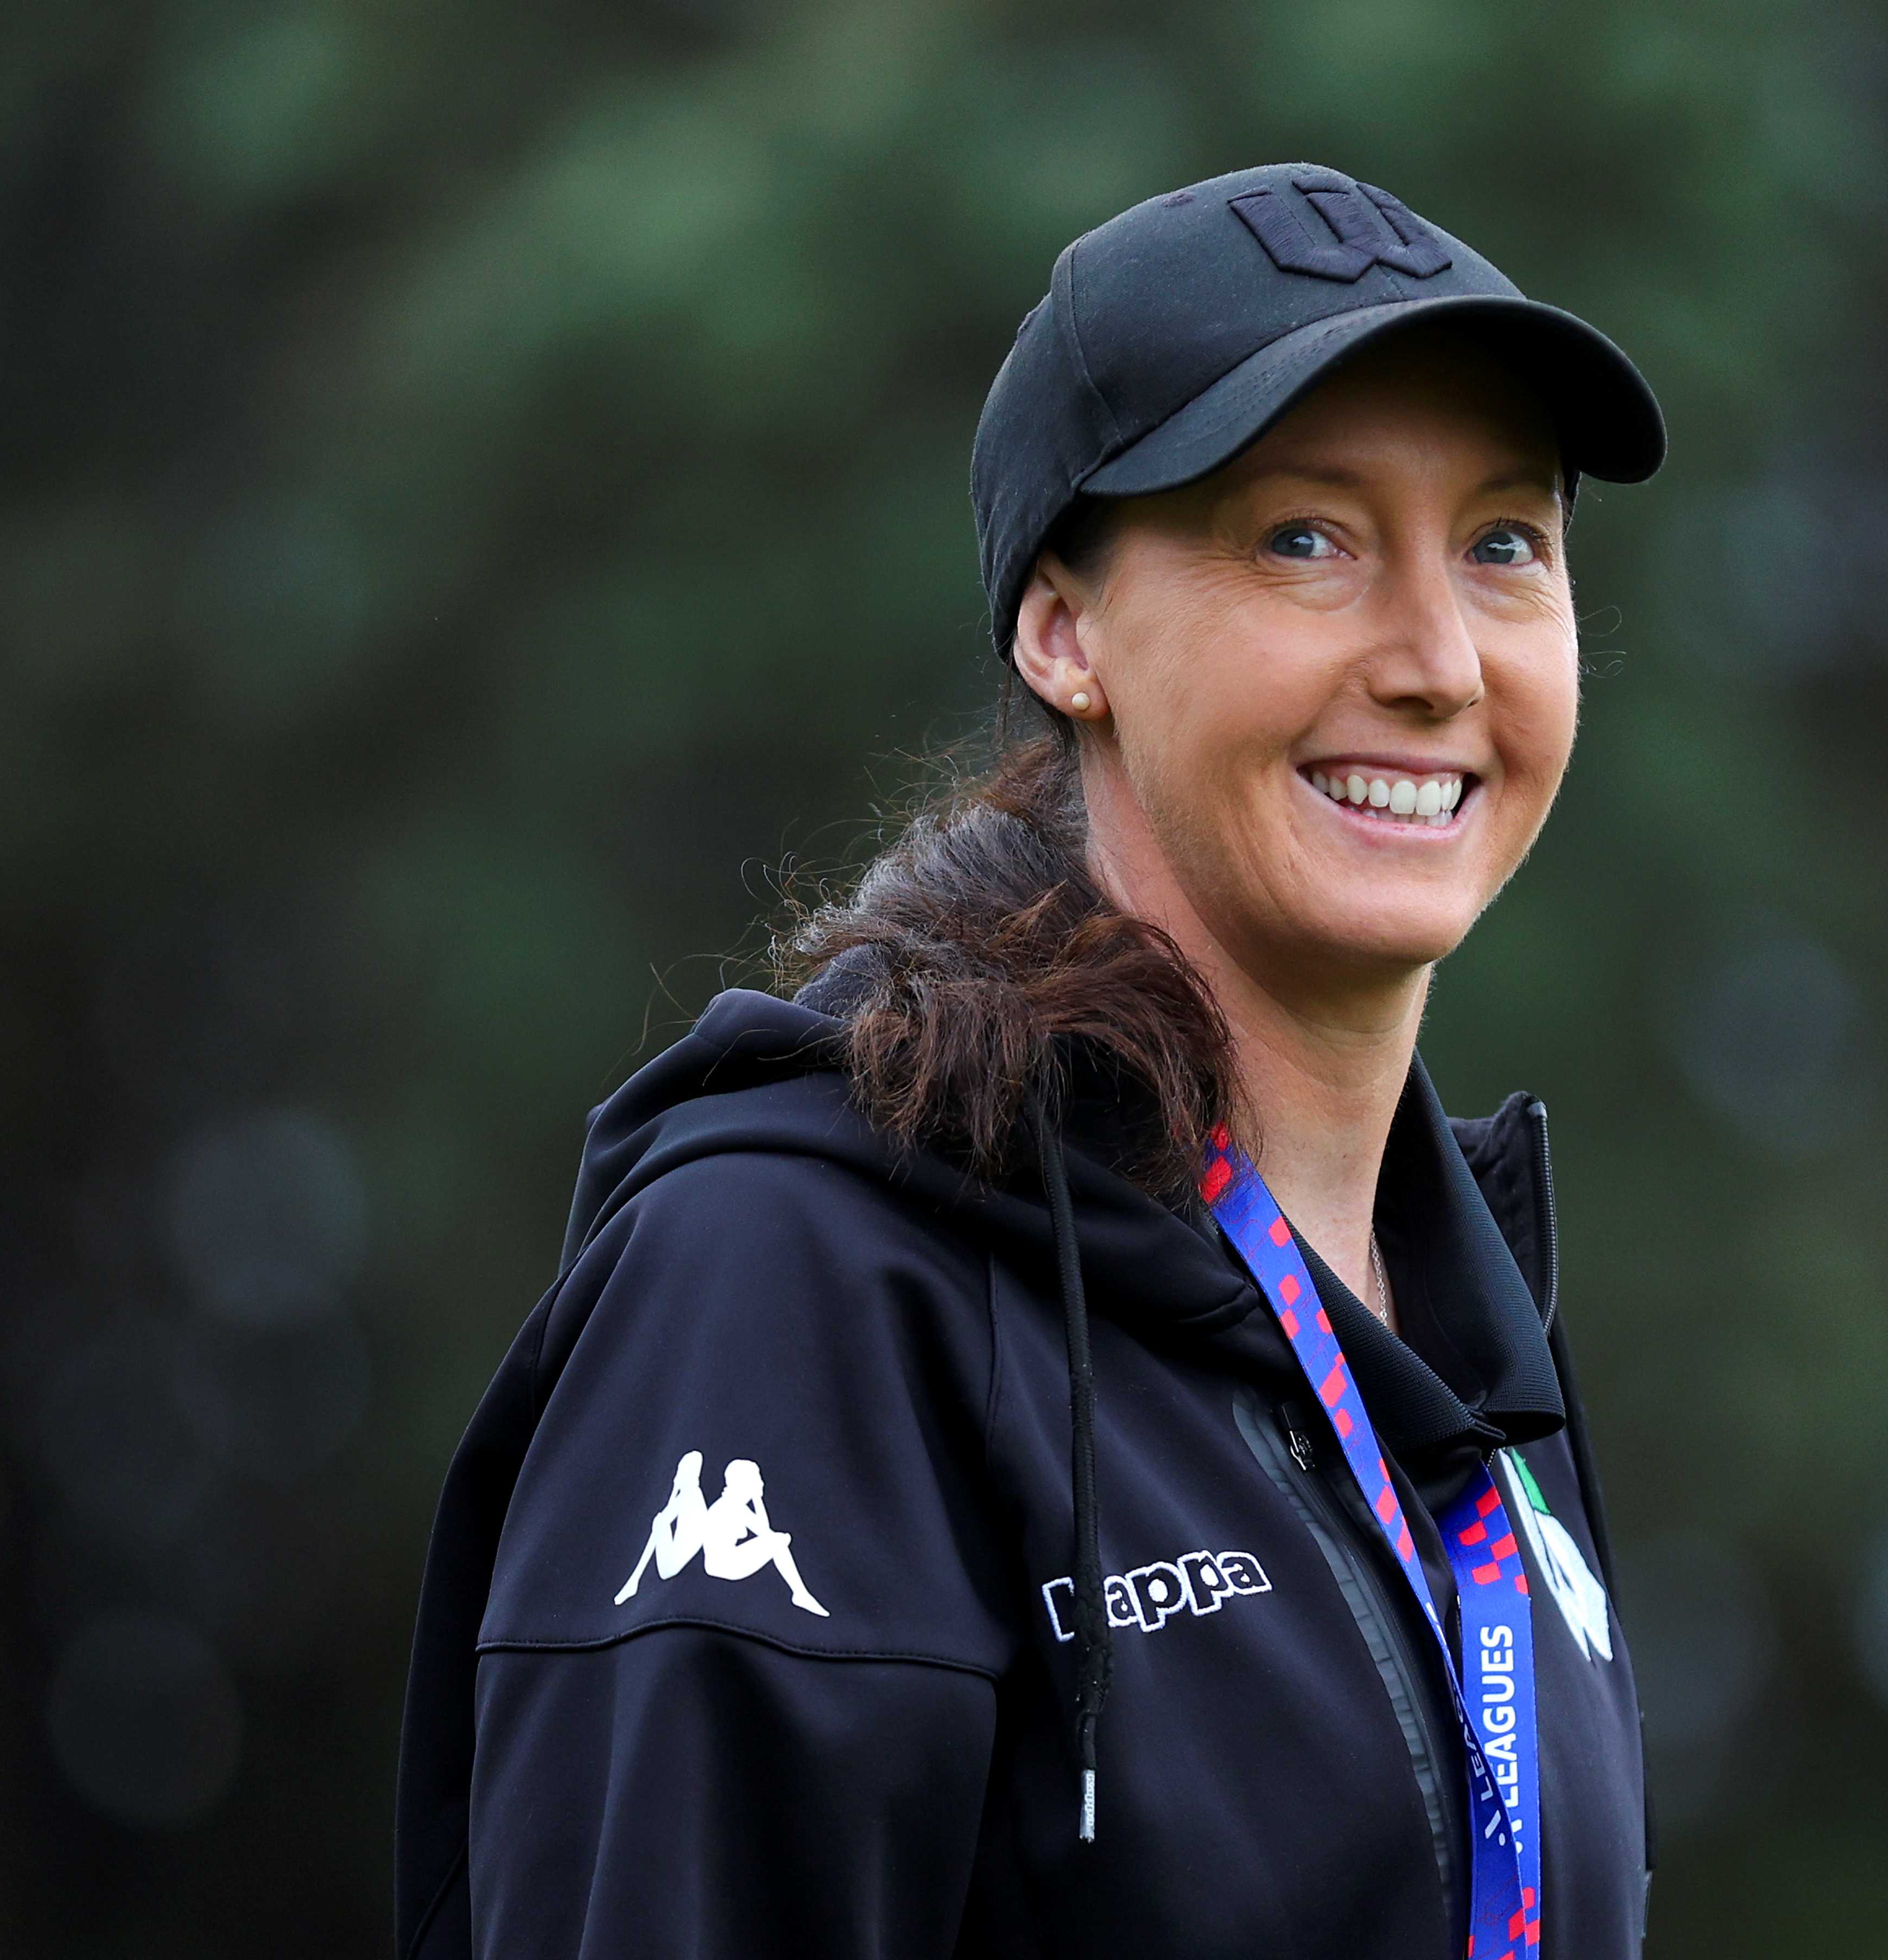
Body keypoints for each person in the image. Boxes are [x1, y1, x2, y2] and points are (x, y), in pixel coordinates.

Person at [393, 161, 1666, 1959]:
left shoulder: (1471, 1350)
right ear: (1064, 630)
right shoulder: (787, 1282)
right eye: (1305, 538)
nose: (1440, 660)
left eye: (1503, 545)